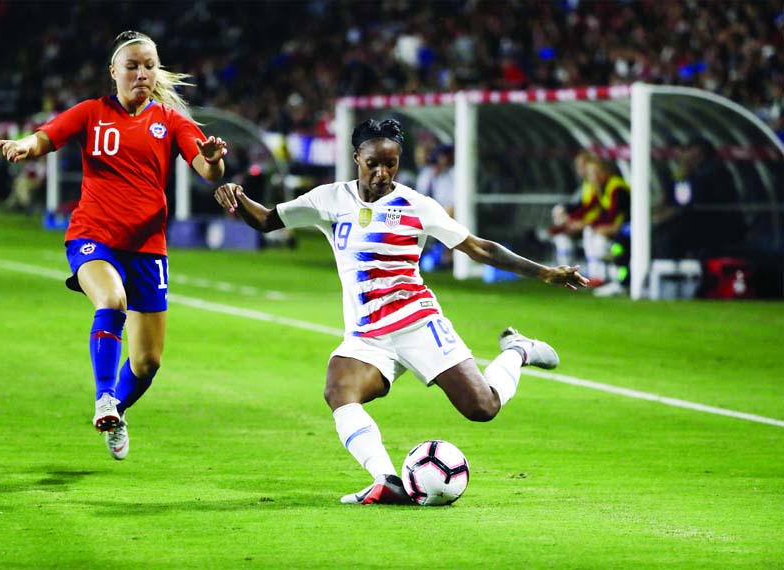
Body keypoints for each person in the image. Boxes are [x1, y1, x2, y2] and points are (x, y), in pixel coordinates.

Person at [214, 118, 587, 504]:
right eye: (373, 163)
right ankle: (386, 479)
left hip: (418, 324)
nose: (382, 173)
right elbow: (265, 220)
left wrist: (544, 273)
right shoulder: (329, 199)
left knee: (483, 407)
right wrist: (235, 194)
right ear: (356, 157)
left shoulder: (416, 206)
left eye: (390, 164)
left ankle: (518, 350)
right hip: (367, 335)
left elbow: (480, 248)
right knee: (338, 390)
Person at [0, 30, 228, 460]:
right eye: (133, 66)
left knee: (147, 363)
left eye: (149, 66)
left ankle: (114, 411)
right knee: (112, 300)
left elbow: (207, 170)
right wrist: (24, 147)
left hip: (148, 248)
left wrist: (213, 160)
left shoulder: (172, 122)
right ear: (113, 72)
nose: (142, 74)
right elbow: (47, 136)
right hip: (92, 237)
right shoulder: (91, 113)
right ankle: (104, 395)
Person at [581, 158, 631, 297]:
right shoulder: (602, 188)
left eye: (594, 172)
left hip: (626, 227)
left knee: (610, 246)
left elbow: (615, 213)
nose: (591, 176)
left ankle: (612, 280)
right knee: (591, 233)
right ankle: (597, 276)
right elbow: (602, 212)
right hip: (618, 227)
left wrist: (600, 226)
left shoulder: (616, 187)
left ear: (604, 172)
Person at [548, 150, 599, 269]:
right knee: (561, 236)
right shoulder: (586, 185)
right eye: (578, 167)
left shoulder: (598, 185)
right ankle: (565, 271)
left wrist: (573, 221)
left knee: (591, 235)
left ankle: (597, 275)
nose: (579, 170)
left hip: (593, 224)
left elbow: (595, 208)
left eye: (582, 166)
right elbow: (580, 205)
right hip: (584, 223)